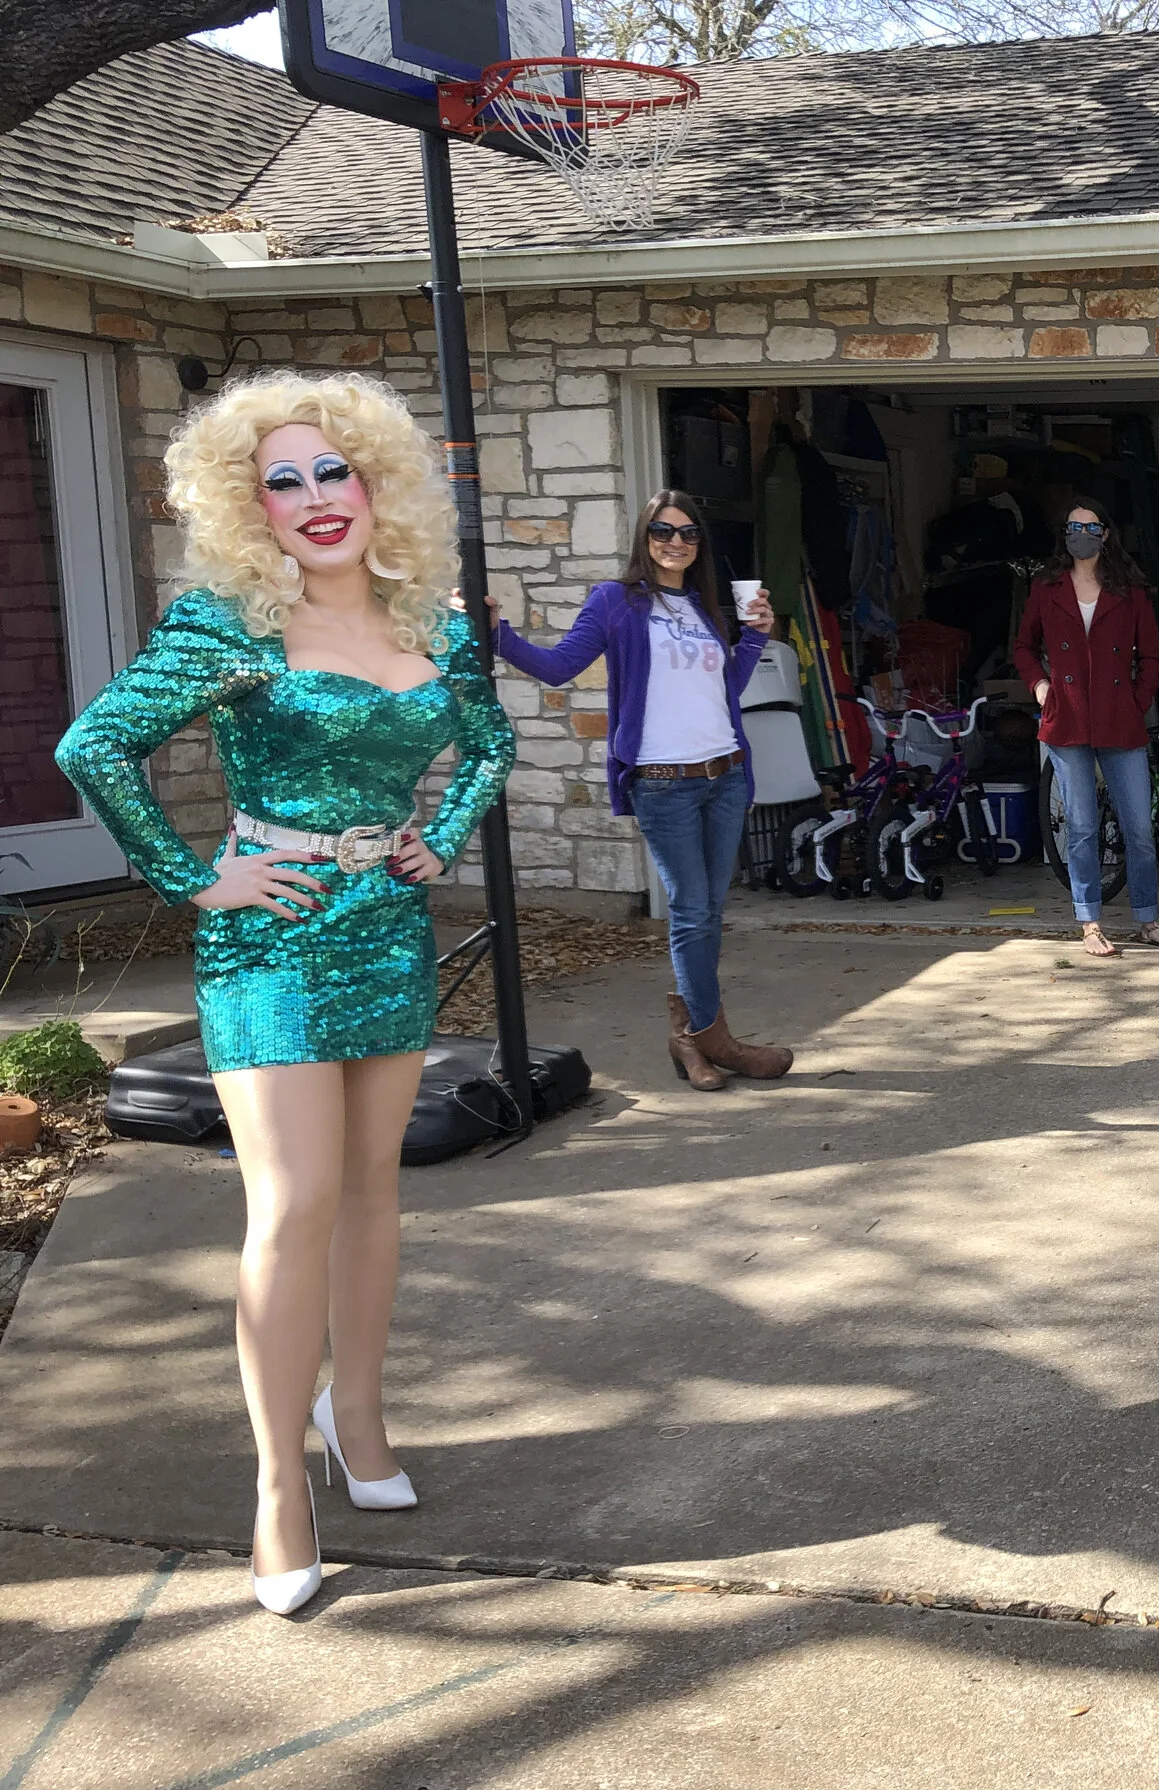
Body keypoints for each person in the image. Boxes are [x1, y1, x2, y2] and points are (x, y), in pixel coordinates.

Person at [55, 372, 516, 1615]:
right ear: (247, 507)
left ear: (377, 484)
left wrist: (443, 831)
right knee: (294, 1200)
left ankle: (355, 1418)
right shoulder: (228, 626)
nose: (316, 499)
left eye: (335, 471)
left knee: (373, 1192)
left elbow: (489, 743)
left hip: (387, 926)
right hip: (272, 934)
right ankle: (275, 1482)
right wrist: (198, 879)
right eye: (283, 479)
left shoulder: (441, 619)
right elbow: (92, 746)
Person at [495, 490, 789, 1091]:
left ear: (699, 545)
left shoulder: (704, 605)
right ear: (643, 537)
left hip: (725, 775)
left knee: (709, 910)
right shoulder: (617, 601)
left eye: (687, 534)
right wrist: (494, 632)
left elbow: (725, 691)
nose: (675, 543)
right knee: (691, 912)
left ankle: (691, 1038)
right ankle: (716, 1042)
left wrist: (757, 635)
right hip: (664, 784)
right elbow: (557, 668)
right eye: (662, 531)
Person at [1013, 502, 1159, 957]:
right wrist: (1040, 685)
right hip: (1066, 719)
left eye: (1090, 527)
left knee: (1139, 828)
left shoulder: (1130, 590)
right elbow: (1024, 646)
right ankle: (1089, 922)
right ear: (1064, 532)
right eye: (1073, 526)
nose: (1080, 534)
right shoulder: (1047, 586)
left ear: (1106, 534)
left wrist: (1136, 701)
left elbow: (1151, 656)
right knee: (1083, 826)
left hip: (1119, 720)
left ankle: (1149, 919)